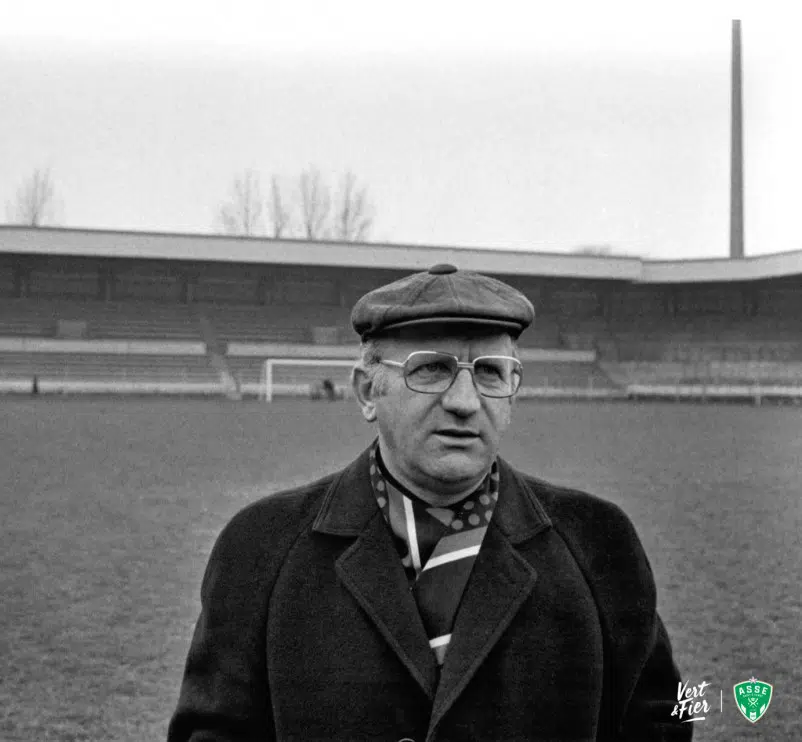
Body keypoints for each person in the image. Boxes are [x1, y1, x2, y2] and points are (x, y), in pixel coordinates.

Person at [169, 264, 689, 742]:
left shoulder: (600, 542)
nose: (465, 401)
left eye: (490, 372)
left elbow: (667, 719)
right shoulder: (259, 548)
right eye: (433, 369)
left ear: (512, 392)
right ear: (367, 392)